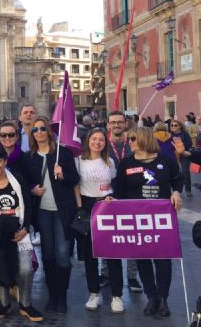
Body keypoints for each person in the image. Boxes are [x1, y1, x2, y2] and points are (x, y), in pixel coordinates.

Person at [111, 126, 183, 317]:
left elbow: (178, 179)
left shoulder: (165, 161)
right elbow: (119, 190)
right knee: (142, 258)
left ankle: (163, 298)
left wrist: (176, 192)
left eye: (133, 138)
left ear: (144, 139)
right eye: (129, 139)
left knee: (163, 260)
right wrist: (111, 200)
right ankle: (151, 297)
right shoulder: (126, 164)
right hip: (136, 219)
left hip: (161, 218)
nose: (130, 142)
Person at [0, 146, 43, 322]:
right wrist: (0, 230)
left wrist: (25, 228)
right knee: (1, 269)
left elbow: (28, 206)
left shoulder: (18, 180)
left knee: (26, 269)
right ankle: (5, 303)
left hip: (21, 231)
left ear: (5, 161)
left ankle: (25, 304)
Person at [23, 116, 79, 313]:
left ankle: (62, 296)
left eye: (42, 129)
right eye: (35, 130)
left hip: (63, 210)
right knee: (47, 253)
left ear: (48, 131)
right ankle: (52, 295)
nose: (39, 132)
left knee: (63, 254)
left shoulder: (62, 154)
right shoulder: (29, 157)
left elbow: (74, 179)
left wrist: (62, 175)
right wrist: (32, 190)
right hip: (43, 212)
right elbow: (25, 183)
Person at [75, 128, 124, 313]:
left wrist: (112, 197)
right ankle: (93, 293)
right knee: (90, 256)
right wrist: (80, 206)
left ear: (105, 142)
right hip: (87, 207)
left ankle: (117, 296)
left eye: (101, 140)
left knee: (112, 254)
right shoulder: (79, 161)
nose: (97, 142)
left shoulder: (109, 162)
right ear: (88, 141)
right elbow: (75, 185)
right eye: (94, 139)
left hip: (107, 207)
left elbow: (114, 184)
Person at [103, 110, 142, 293]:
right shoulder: (103, 143)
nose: (116, 125)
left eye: (120, 122)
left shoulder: (134, 141)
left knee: (133, 234)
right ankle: (106, 272)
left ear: (125, 123)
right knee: (108, 233)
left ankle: (132, 276)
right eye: (113, 122)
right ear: (108, 124)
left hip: (131, 193)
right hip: (108, 193)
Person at [170, 119, 193, 197]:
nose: (173, 127)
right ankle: (176, 191)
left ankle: (188, 190)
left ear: (180, 126)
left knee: (185, 172)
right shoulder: (170, 135)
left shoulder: (185, 134)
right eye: (172, 125)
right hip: (174, 155)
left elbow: (190, 143)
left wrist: (182, 146)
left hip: (184, 154)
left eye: (175, 125)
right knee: (174, 173)